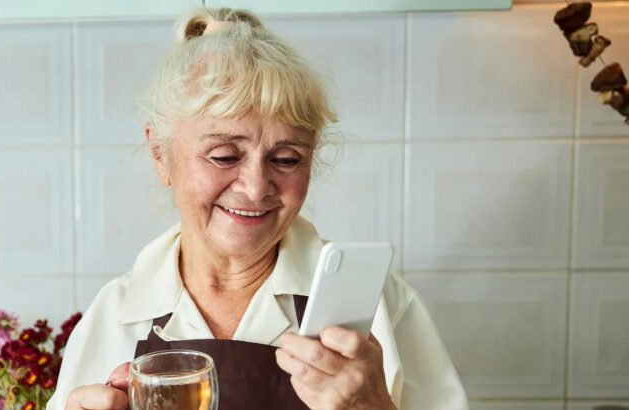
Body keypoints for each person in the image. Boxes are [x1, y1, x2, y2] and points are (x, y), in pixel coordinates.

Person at [47, 6, 468, 410]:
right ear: (161, 154)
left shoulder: (378, 306)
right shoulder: (113, 317)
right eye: (224, 156)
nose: (254, 188)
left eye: (286, 159)